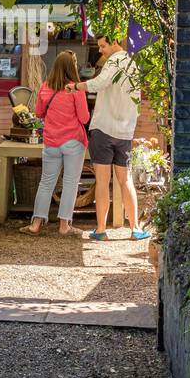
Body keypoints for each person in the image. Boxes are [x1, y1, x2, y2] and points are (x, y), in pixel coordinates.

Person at [71, 35, 148, 240]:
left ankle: (102, 229)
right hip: (125, 132)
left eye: (103, 46)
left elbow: (98, 84)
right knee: (126, 180)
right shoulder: (133, 63)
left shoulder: (114, 61)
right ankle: (135, 228)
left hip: (104, 129)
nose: (101, 51)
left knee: (103, 182)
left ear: (115, 43)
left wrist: (76, 86)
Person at [22, 51, 90, 237]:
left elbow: (39, 113)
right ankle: (63, 226)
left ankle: (36, 224)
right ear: (72, 67)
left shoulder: (45, 87)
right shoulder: (76, 89)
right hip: (73, 142)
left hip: (51, 142)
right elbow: (84, 118)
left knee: (46, 182)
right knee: (70, 183)